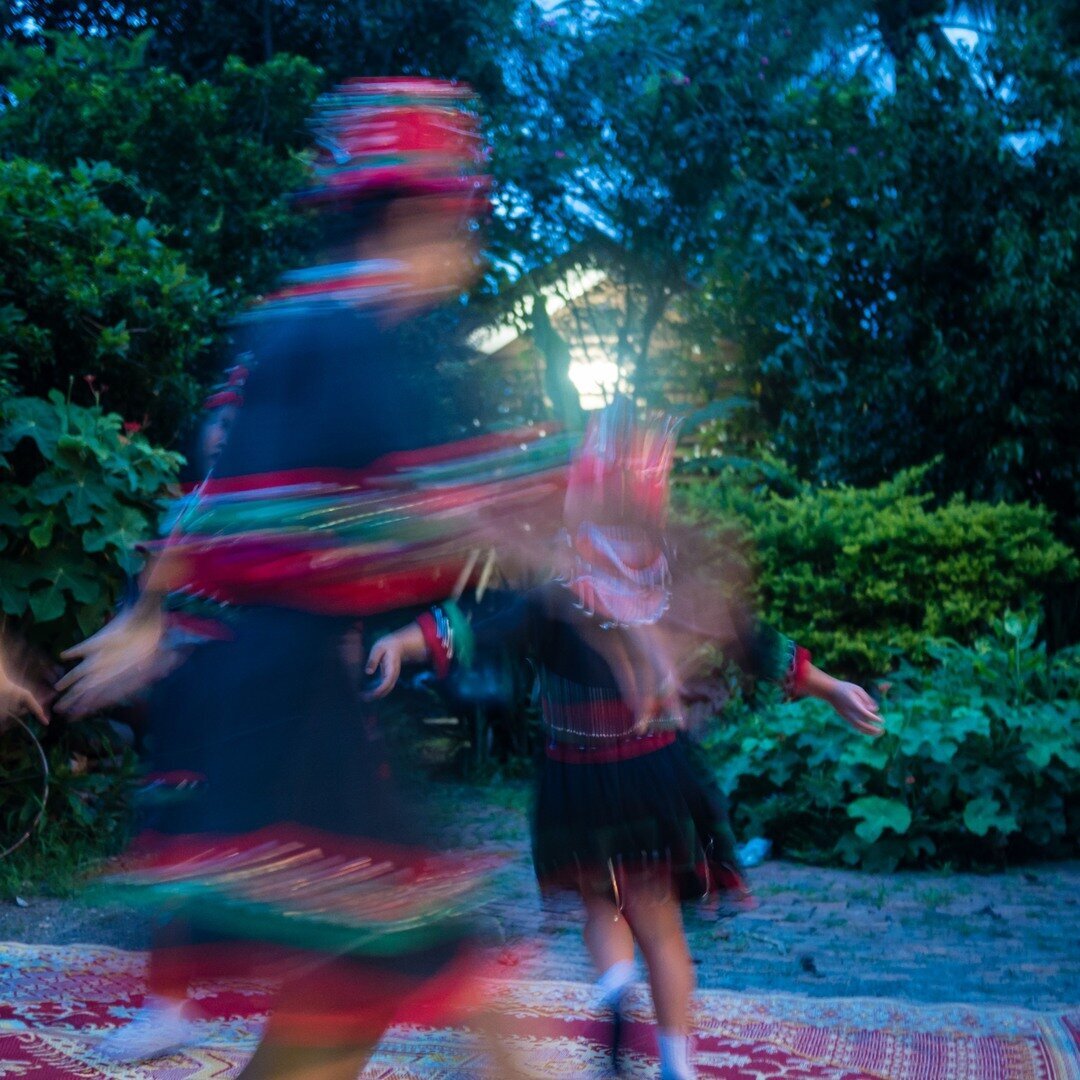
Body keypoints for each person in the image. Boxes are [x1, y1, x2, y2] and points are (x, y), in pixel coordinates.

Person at [55, 78, 538, 1080]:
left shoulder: (296, 327)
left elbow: (221, 496)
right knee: (418, 956)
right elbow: (418, 511)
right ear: (415, 214)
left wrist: (149, 615)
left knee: (364, 983)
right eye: (464, 222)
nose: (470, 250)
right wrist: (559, 493)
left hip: (278, 692)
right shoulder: (347, 336)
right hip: (294, 706)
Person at [367, 397, 884, 1080]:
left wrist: (406, 640)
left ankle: (614, 994)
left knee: (599, 904)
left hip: (576, 773)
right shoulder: (670, 582)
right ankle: (677, 1066)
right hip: (652, 772)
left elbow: (482, 627)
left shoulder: (561, 587)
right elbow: (748, 641)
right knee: (658, 918)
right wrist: (831, 685)